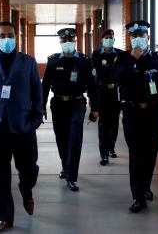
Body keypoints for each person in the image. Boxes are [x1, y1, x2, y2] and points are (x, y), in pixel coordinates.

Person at [0, 21, 43, 234]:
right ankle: (4, 218)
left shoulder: (28, 62)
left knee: (29, 169)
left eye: (9, 35)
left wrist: (35, 119)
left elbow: (37, 93)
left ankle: (26, 189)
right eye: (2, 36)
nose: (6, 39)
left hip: (23, 127)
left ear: (16, 37)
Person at [112, 20, 158, 213]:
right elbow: (116, 79)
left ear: (148, 38)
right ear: (130, 39)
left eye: (142, 36)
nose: (138, 40)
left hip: (152, 112)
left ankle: (145, 186)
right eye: (134, 36)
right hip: (131, 112)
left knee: (150, 153)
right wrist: (132, 59)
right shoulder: (123, 58)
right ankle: (137, 197)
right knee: (135, 153)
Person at [42, 28, 98, 192]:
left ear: (75, 41)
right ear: (60, 42)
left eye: (70, 39)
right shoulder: (53, 61)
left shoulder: (84, 61)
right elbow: (44, 86)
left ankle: (72, 177)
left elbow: (93, 87)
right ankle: (65, 167)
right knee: (61, 138)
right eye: (64, 40)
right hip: (58, 105)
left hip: (77, 104)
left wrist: (95, 108)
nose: (67, 42)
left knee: (75, 139)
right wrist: (41, 106)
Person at [91, 29, 122, 165]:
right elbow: (93, 76)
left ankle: (111, 147)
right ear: (102, 40)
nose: (109, 39)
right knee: (103, 124)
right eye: (107, 37)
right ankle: (103, 154)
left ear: (114, 39)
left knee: (114, 123)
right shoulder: (96, 55)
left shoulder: (120, 54)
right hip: (102, 93)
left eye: (111, 37)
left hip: (116, 93)